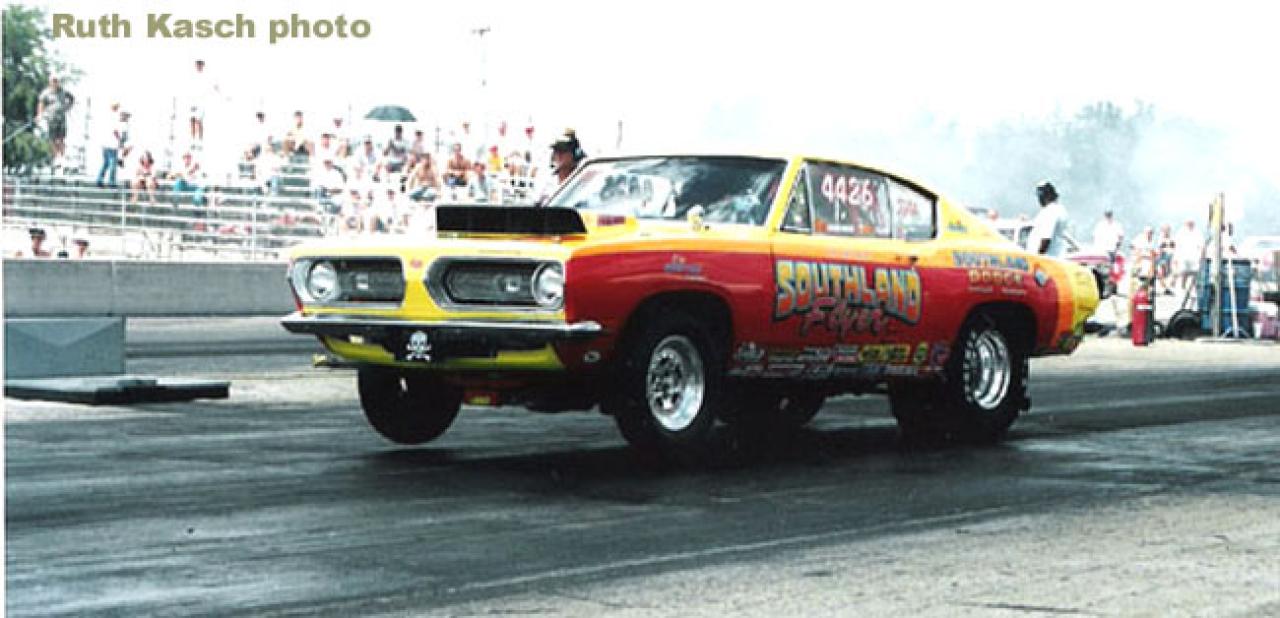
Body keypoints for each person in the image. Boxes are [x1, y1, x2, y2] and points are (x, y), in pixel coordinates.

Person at [536, 129, 586, 205]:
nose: (559, 155)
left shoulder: (582, 181)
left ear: (575, 155)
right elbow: (536, 205)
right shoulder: (546, 179)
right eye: (556, 151)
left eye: (564, 151)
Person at [36, 75, 75, 168]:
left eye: (56, 81)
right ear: (50, 82)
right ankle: (57, 156)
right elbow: (41, 103)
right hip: (51, 118)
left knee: (61, 138)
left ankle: (62, 157)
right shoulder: (46, 93)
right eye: (53, 81)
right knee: (52, 139)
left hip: (61, 118)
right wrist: (40, 114)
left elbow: (72, 98)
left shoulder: (63, 91)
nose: (54, 83)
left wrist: (68, 107)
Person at [1028, 181, 1067, 257]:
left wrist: (1038, 258)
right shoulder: (1060, 209)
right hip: (1054, 257)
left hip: (1046, 259)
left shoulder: (1050, 211)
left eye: (1040, 196)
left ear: (1047, 195)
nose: (1039, 199)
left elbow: (1046, 238)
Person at [96, 103, 124, 188]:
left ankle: (99, 180)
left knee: (105, 163)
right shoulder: (114, 117)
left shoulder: (105, 116)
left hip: (104, 144)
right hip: (112, 145)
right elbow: (115, 131)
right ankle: (111, 182)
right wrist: (120, 140)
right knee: (112, 164)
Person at [1172, 219, 1203, 291]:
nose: (1190, 225)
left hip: (1194, 257)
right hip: (1183, 257)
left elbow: (1201, 246)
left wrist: (1201, 257)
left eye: (1191, 223)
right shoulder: (1181, 232)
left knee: (1195, 273)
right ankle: (1182, 287)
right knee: (1184, 272)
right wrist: (1175, 258)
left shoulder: (1198, 232)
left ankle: (1193, 288)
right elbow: (1176, 246)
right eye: (1188, 223)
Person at [1156, 223, 1176, 295]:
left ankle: (1168, 288)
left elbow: (1174, 247)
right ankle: (1165, 288)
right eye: (1164, 230)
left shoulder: (1172, 238)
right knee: (1161, 272)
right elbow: (1160, 249)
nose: (1166, 231)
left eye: (1167, 229)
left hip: (1171, 256)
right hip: (1163, 257)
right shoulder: (1160, 238)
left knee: (1172, 273)